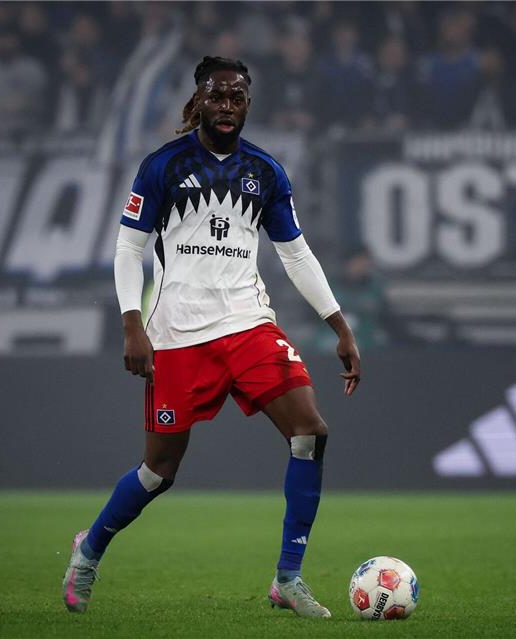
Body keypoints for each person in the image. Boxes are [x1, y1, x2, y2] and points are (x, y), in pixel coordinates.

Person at [62, 56, 361, 619]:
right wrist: (131, 322)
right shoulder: (162, 166)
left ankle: (288, 578)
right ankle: (91, 548)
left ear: (248, 104)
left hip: (248, 323)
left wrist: (338, 324)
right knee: (158, 472)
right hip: (176, 334)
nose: (226, 106)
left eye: (237, 97)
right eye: (217, 96)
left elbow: (295, 253)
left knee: (310, 432)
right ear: (198, 100)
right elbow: (130, 248)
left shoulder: (266, 172)